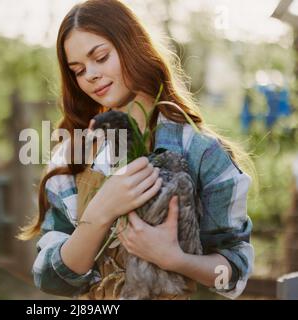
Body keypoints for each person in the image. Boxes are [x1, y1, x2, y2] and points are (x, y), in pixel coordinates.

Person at [18, 0, 255, 300]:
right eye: (77, 70)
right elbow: (49, 279)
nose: (89, 74)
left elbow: (234, 273)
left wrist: (174, 259)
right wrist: (101, 211)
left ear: (132, 46)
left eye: (101, 57)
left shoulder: (201, 151)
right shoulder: (72, 157)